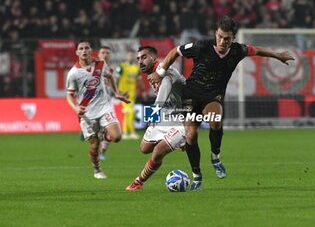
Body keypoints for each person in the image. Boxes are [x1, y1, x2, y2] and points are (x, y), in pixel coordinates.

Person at [148, 16, 294, 190]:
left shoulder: (238, 50)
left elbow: (258, 50)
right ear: (215, 34)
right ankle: (197, 176)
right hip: (192, 95)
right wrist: (161, 72)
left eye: (227, 38)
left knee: (215, 121)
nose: (222, 41)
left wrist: (278, 56)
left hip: (213, 95)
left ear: (233, 38)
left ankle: (215, 157)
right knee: (190, 135)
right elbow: (174, 51)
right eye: (219, 37)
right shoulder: (201, 46)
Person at [125, 46, 186, 190]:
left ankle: (138, 182)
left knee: (158, 151)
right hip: (165, 118)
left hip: (181, 120)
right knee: (144, 148)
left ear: (154, 58)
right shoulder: (151, 75)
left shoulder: (167, 72)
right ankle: (178, 142)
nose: (140, 61)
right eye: (138, 59)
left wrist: (153, 114)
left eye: (144, 57)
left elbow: (164, 91)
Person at [66, 40, 129, 179]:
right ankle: (97, 169)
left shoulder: (100, 64)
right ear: (77, 52)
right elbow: (69, 95)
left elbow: (109, 76)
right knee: (94, 146)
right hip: (87, 113)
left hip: (104, 107)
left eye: (86, 48)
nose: (84, 51)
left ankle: (103, 132)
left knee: (117, 137)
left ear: (90, 50)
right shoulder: (73, 73)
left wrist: (116, 92)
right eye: (81, 48)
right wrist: (76, 108)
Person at [116, 50, 146, 140]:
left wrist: (143, 90)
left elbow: (139, 80)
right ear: (127, 56)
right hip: (123, 94)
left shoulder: (136, 68)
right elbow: (116, 79)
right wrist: (116, 91)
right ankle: (129, 132)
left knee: (129, 113)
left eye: (132, 56)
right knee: (130, 112)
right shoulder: (121, 67)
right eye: (129, 55)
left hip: (132, 94)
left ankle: (126, 132)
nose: (131, 57)